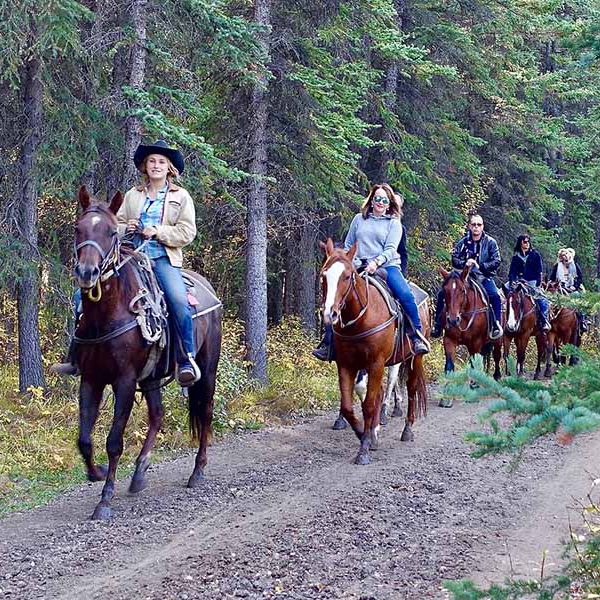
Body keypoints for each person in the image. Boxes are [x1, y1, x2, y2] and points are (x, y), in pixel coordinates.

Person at [52, 140, 201, 387]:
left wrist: (157, 231)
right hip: (130, 258)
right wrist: (125, 227)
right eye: (152, 161)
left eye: (161, 162)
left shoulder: (180, 197)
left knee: (178, 301)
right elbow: (112, 226)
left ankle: (186, 359)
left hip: (163, 259)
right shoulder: (133, 195)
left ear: (169, 168)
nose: (156, 166)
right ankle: (76, 357)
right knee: (82, 298)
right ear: (145, 166)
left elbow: (187, 232)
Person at [313, 183, 429, 360]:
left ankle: (416, 336)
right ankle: (328, 342)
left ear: (389, 203)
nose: (380, 203)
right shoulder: (359, 219)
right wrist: (349, 260)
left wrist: (376, 262)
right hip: (358, 264)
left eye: (384, 200)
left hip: (387, 266)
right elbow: (348, 244)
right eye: (377, 199)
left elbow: (391, 249)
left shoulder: (394, 223)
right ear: (371, 200)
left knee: (405, 294)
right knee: (335, 295)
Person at [431, 213, 503, 340]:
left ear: (482, 227)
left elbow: (496, 260)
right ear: (469, 226)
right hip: (463, 276)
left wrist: (480, 265)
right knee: (443, 293)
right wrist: (465, 263)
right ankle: (437, 325)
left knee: (495, 296)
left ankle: (495, 324)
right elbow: (454, 259)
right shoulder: (463, 242)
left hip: (483, 276)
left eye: (479, 225)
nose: (476, 227)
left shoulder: (491, 242)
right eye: (474, 224)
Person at [507, 234, 551, 331]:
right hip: (518, 281)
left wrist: (537, 282)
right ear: (520, 242)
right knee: (503, 292)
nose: (527, 244)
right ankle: (503, 319)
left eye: (528, 241)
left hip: (532, 281)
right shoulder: (516, 256)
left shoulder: (535, 255)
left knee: (542, 298)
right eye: (525, 241)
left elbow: (539, 270)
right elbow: (512, 272)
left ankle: (544, 320)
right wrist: (512, 281)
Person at [549, 247, 587, 333]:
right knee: (551, 300)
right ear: (560, 257)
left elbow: (580, 278)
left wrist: (575, 286)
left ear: (568, 255)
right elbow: (552, 278)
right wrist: (555, 284)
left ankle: (582, 320)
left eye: (565, 254)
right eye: (562, 255)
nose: (564, 256)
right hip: (560, 287)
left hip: (572, 287)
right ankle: (547, 320)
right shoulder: (557, 266)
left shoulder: (574, 265)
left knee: (578, 298)